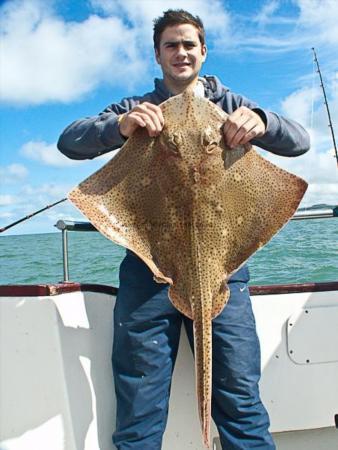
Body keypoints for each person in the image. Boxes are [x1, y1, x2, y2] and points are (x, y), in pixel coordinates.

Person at [58, 9, 310, 450]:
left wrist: (263, 122)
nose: (181, 52)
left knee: (239, 400)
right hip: (149, 267)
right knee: (139, 405)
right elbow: (70, 140)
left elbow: (299, 140)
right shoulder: (138, 108)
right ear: (158, 55)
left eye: (189, 44)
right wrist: (120, 126)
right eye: (171, 45)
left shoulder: (232, 104)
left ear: (204, 52)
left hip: (223, 270)